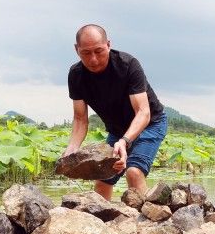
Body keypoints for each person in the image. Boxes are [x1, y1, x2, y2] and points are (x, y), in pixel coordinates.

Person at [63, 24, 168, 201]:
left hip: (150, 124)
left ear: (108, 45)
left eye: (99, 51)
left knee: (133, 172)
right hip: (117, 130)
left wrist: (125, 141)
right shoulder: (76, 75)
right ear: (76, 50)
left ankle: (143, 223)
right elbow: (80, 119)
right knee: (104, 178)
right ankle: (100, 222)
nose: (94, 59)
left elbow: (143, 112)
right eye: (86, 53)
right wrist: (72, 149)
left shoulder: (128, 65)